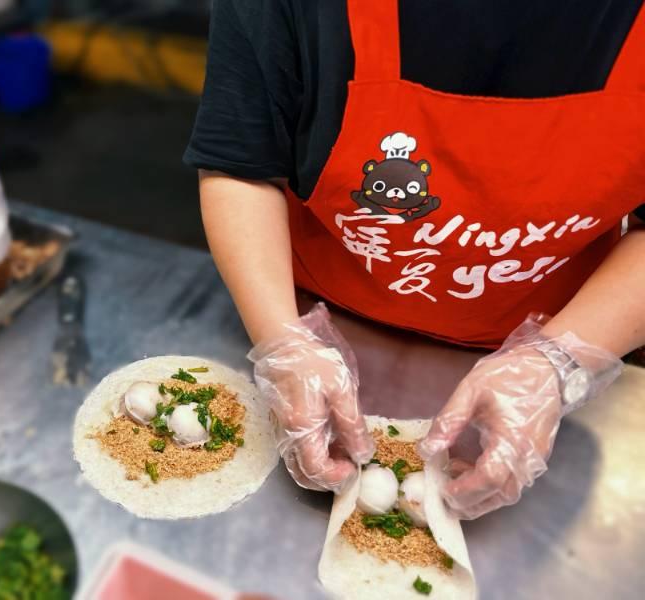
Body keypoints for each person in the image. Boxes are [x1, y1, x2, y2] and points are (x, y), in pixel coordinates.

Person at [184, 0, 645, 519]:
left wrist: (555, 364)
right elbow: (242, 163)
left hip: (550, 334)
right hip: (316, 314)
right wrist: (284, 343)